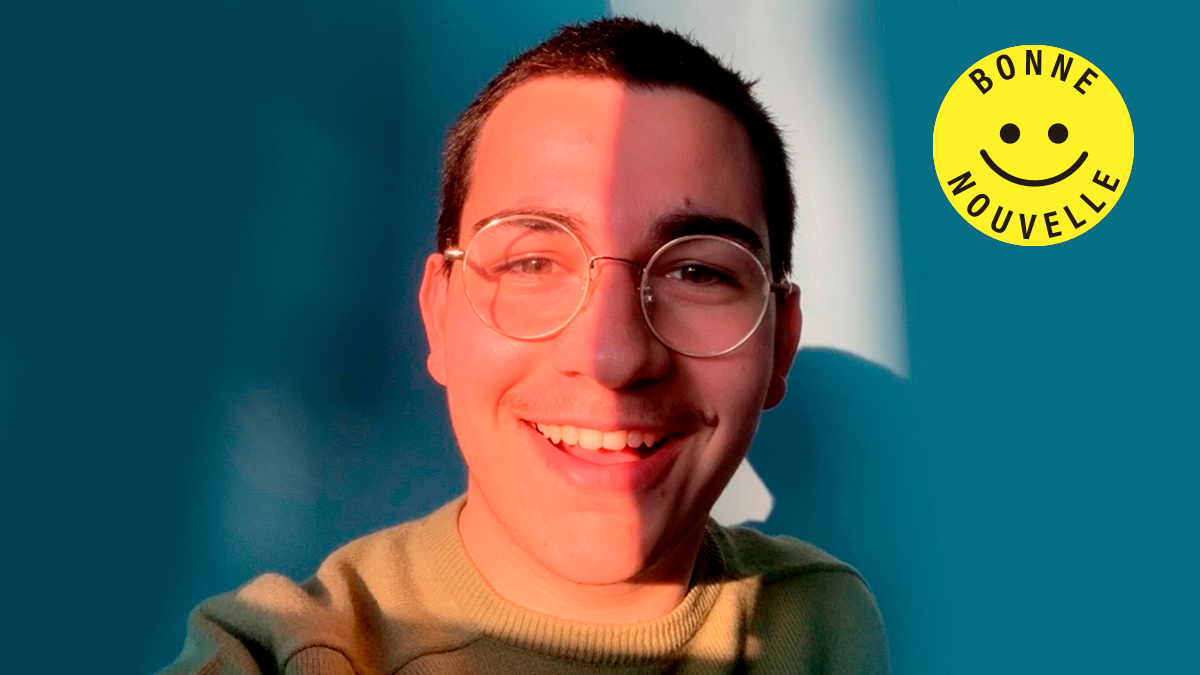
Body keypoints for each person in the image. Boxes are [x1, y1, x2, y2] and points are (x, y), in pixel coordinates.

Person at [160, 17, 889, 674]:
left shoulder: (828, 620)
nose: (612, 359)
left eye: (696, 272)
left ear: (781, 343)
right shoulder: (277, 652)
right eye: (533, 263)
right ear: (438, 317)